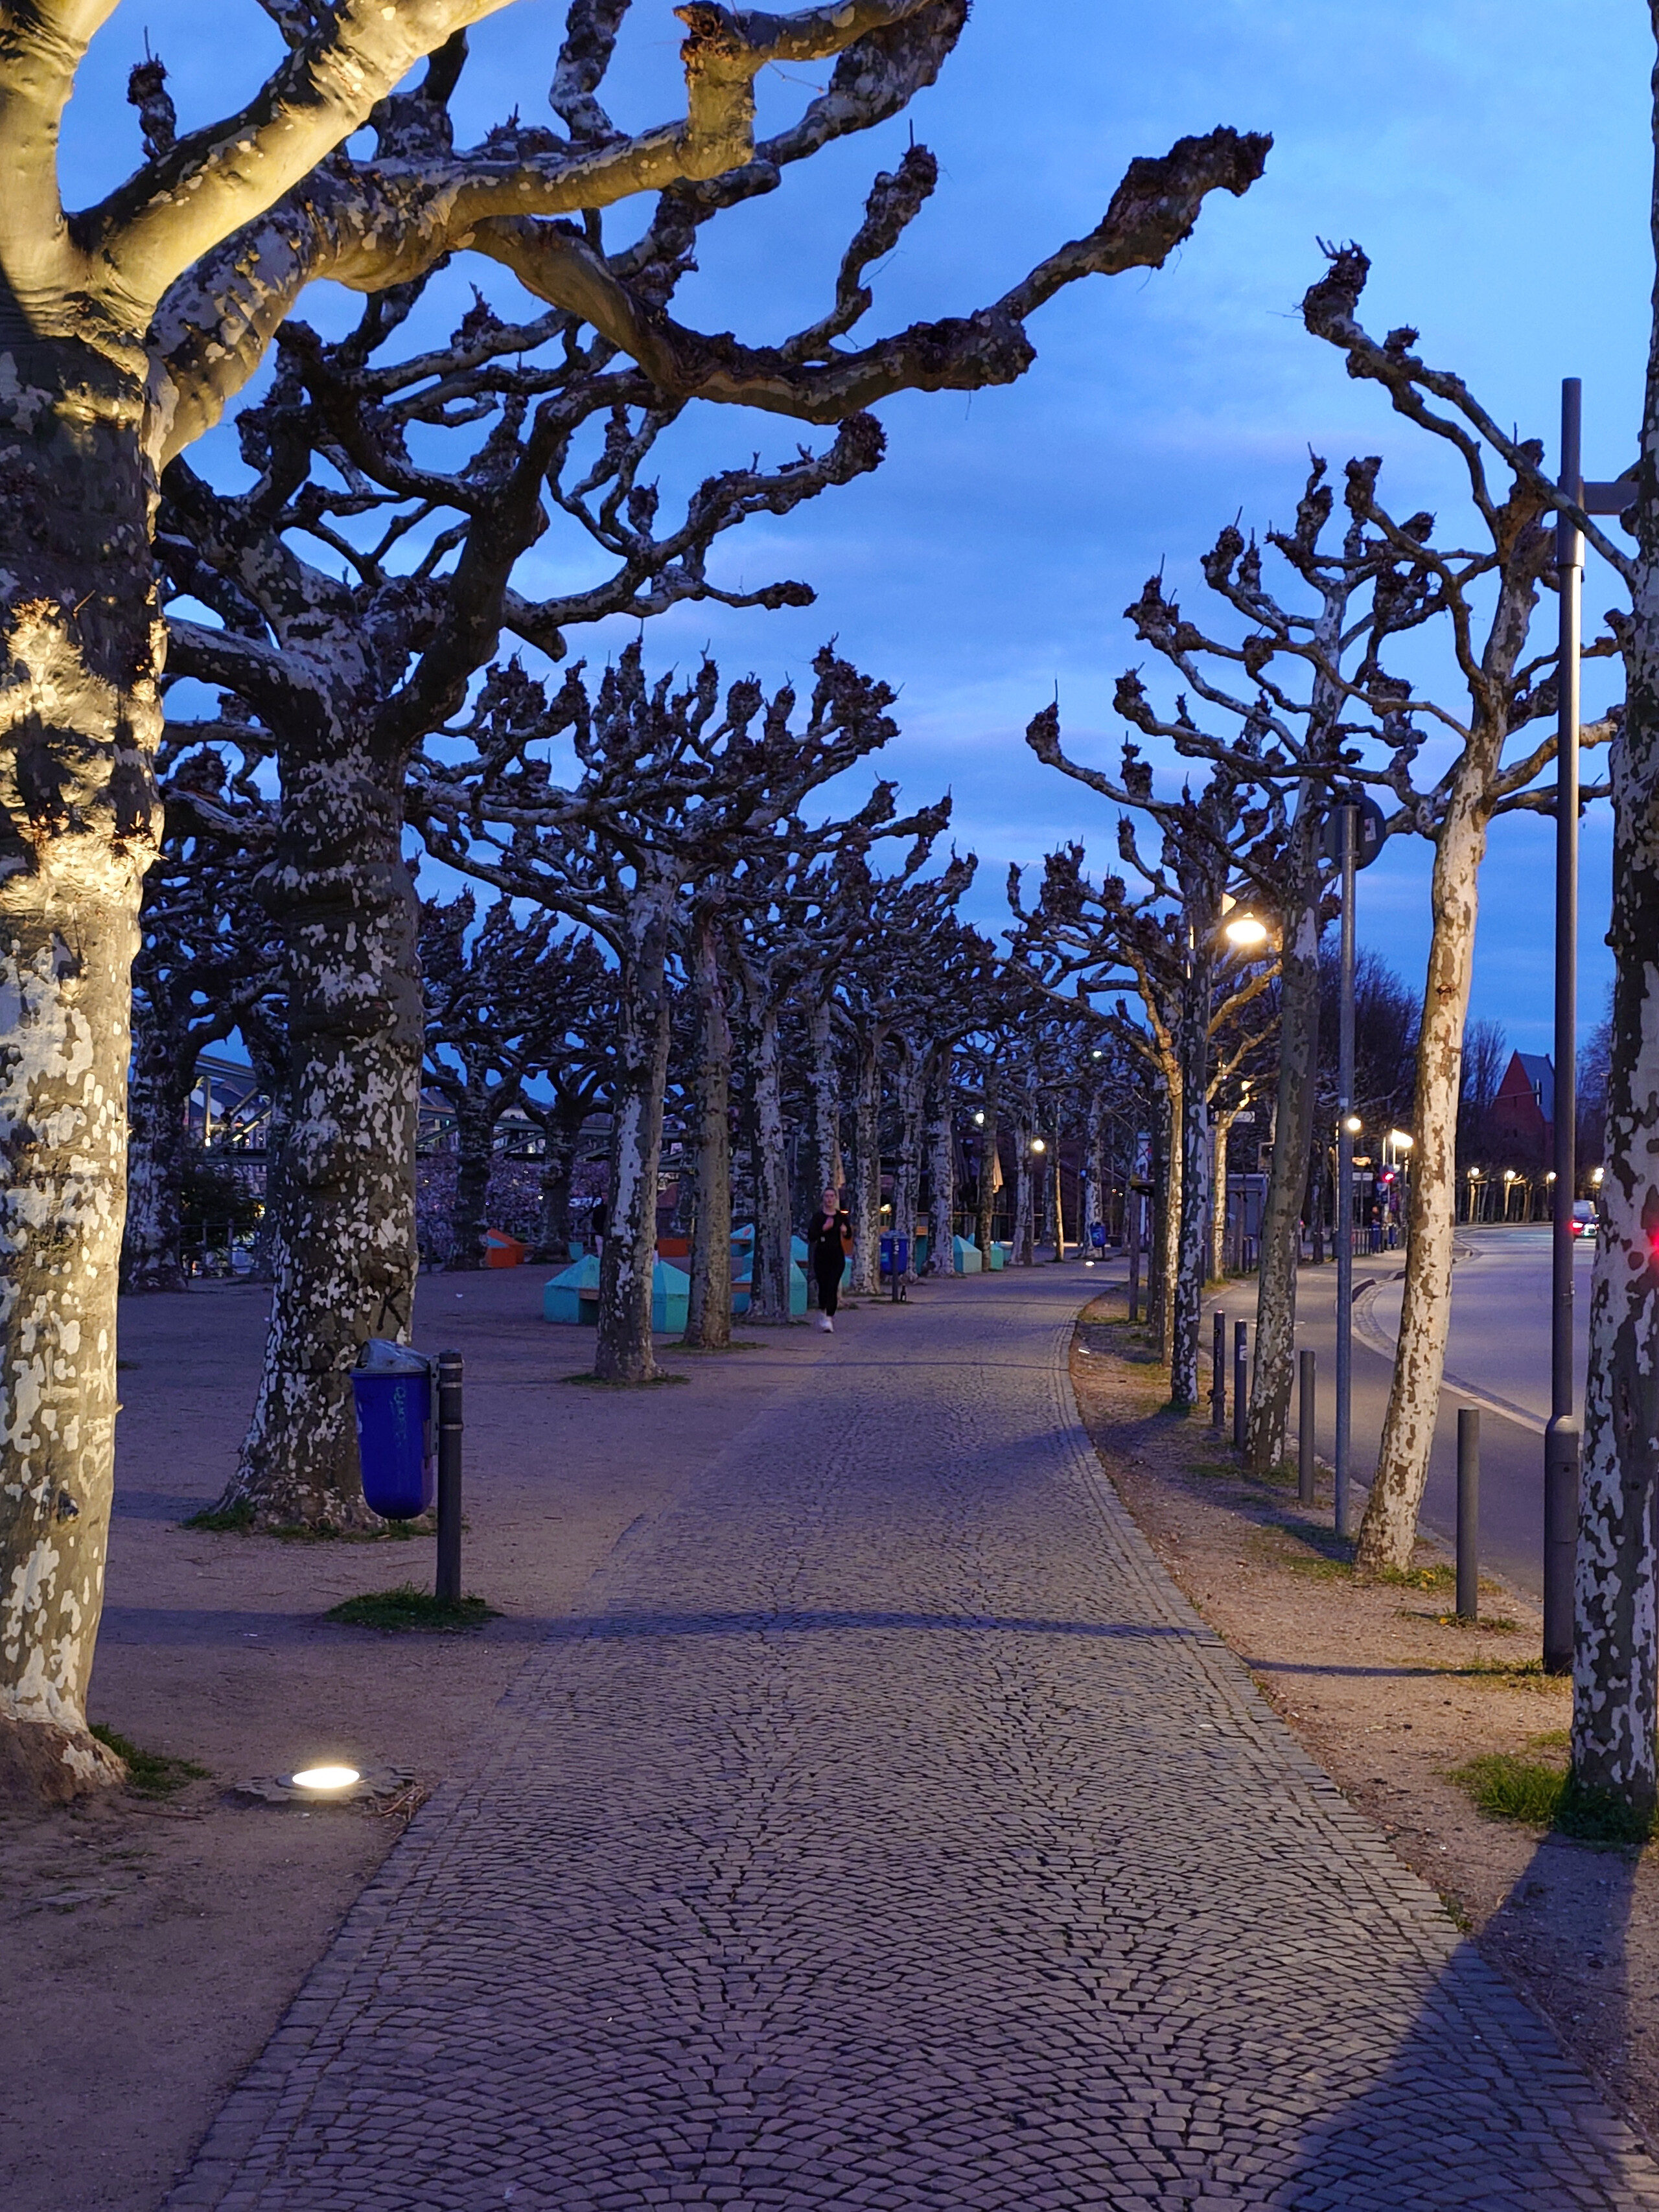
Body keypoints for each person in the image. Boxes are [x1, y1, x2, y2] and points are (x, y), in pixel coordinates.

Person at [804, 1188, 852, 1332]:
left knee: (833, 1285)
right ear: (823, 1199)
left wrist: (845, 1231)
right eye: (827, 1196)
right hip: (822, 1255)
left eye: (832, 1196)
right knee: (824, 1286)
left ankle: (829, 1317)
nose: (829, 1199)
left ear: (836, 1199)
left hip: (837, 1255)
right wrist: (824, 1229)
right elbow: (811, 1236)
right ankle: (822, 1311)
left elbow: (849, 1235)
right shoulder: (818, 1217)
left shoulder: (841, 1217)